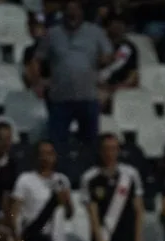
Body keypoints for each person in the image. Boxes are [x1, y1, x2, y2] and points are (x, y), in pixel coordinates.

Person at [32, 0, 112, 149]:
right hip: (60, 99)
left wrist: (102, 62)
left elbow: (108, 55)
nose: (72, 14)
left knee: (89, 145)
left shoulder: (96, 32)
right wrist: (38, 82)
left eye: (76, 10)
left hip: (88, 97)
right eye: (69, 10)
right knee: (57, 144)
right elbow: (37, 59)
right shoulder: (52, 33)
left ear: (82, 12)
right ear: (64, 12)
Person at [82, 134, 146, 241]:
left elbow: (139, 210)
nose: (110, 153)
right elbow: (93, 216)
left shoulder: (131, 174)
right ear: (100, 151)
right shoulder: (90, 178)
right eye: (106, 149)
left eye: (113, 149)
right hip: (104, 240)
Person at [8, 140, 75, 241]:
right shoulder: (25, 180)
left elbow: (69, 214)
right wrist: (17, 239)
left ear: (55, 156)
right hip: (34, 238)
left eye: (49, 153)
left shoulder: (62, 180)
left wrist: (66, 201)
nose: (46, 157)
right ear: (36, 157)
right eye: (42, 154)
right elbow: (13, 213)